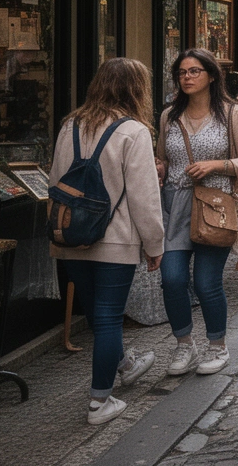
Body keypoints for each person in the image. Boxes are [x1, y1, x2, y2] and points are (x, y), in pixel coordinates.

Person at [50, 58, 164, 425]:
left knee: (99, 317)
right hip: (115, 241)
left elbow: (55, 183)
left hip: (70, 238)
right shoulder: (133, 132)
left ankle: (124, 364)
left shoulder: (69, 125)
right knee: (109, 316)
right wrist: (155, 245)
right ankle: (100, 401)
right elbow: (145, 198)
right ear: (137, 89)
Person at [157, 48, 238, 379]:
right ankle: (185, 345)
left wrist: (216, 165)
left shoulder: (231, 114)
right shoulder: (168, 115)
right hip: (174, 206)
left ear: (211, 76)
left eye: (194, 71)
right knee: (171, 279)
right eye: (182, 73)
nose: (186, 77)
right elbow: (163, 159)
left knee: (205, 282)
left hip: (214, 207)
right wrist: (155, 168)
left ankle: (218, 346)